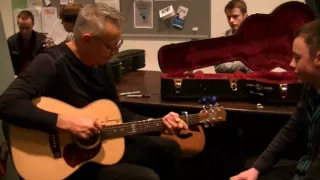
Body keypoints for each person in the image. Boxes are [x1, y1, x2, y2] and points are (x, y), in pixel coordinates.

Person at [0, 3, 188, 180]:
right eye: (110, 46)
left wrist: (158, 122)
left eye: (118, 43)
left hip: (97, 146)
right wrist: (66, 122)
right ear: (87, 40)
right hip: (64, 158)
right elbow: (7, 102)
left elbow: (118, 112)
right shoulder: (50, 63)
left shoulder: (101, 65)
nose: (115, 51)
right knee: (145, 178)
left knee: (168, 149)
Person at [230, 19, 320, 180]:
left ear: (318, 59)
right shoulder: (310, 86)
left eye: (297, 58)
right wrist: (256, 169)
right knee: (250, 167)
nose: (291, 64)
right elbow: (291, 129)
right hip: (306, 166)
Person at [215, 0, 251, 73]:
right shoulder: (221, 38)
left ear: (245, 16)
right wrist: (244, 62)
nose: (231, 20)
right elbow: (219, 67)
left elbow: (258, 67)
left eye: (235, 16)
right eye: (228, 17)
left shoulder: (255, 38)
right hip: (228, 82)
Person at [7, 10, 46, 75]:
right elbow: (8, 64)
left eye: (27, 28)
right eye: (21, 28)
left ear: (33, 24)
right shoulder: (11, 42)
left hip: (37, 76)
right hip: (18, 77)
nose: (24, 31)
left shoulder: (42, 39)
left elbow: (45, 62)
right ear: (18, 24)